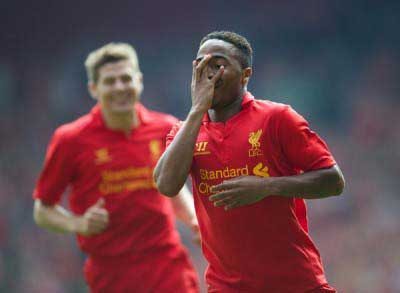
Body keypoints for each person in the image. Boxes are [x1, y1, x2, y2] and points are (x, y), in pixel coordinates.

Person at [154, 31, 345, 292]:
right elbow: (166, 185)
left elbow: (333, 181)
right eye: (201, 65)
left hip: (295, 282)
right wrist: (197, 109)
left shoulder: (277, 118)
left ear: (246, 75)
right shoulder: (185, 132)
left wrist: (266, 187)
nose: (209, 74)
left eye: (218, 64)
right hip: (226, 286)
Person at [33, 43, 200, 293]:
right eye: (110, 81)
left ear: (139, 81)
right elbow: (42, 210)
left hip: (166, 266)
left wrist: (193, 220)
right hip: (111, 275)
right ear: (93, 88)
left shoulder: (165, 128)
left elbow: (171, 187)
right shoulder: (71, 139)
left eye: (126, 78)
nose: (120, 87)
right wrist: (78, 224)